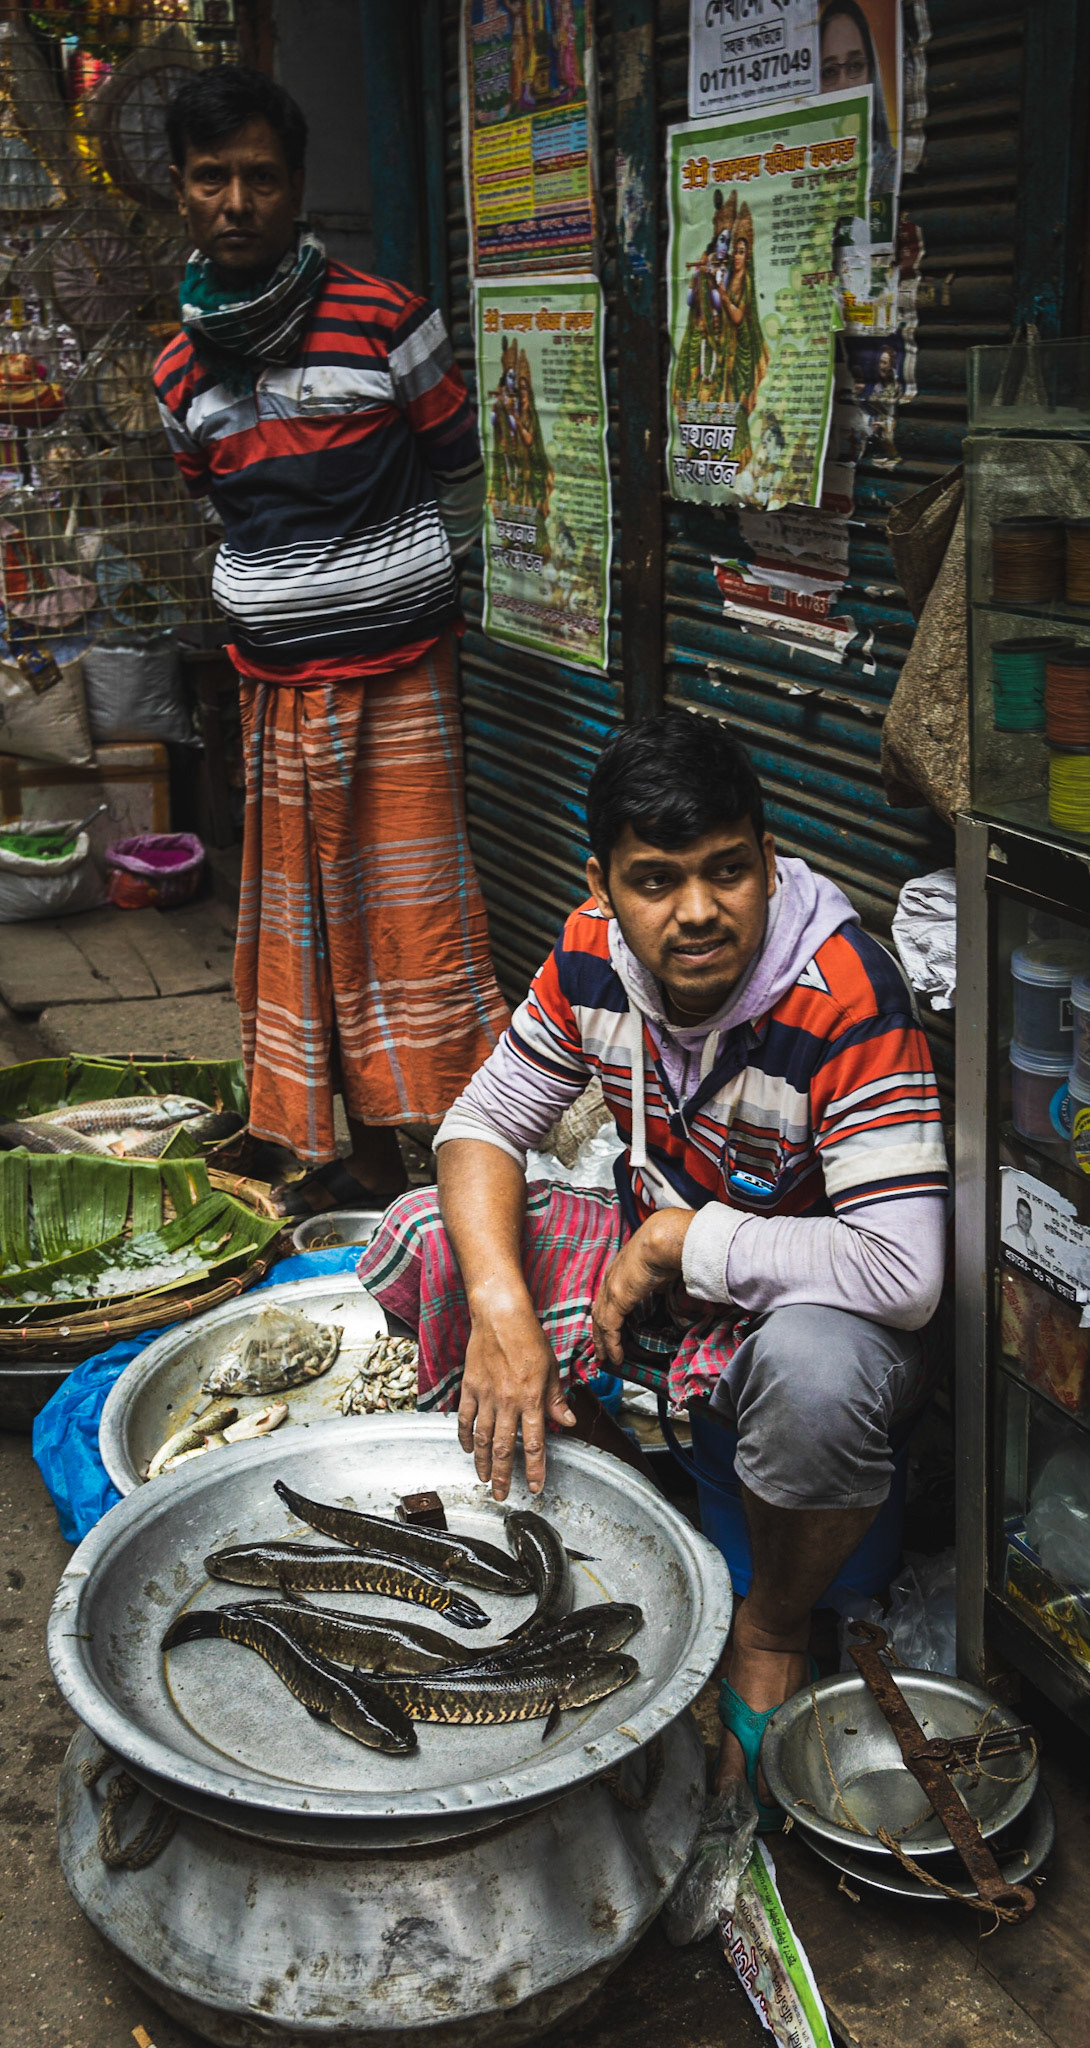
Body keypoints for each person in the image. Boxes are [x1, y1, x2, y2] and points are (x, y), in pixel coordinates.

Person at [358, 712, 948, 1823]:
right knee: (435, 1235)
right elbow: (482, 1121)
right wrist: (499, 1310)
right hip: (663, 1279)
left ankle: (772, 1621)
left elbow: (904, 1270)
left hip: (811, 1309)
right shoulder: (592, 949)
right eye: (656, 879)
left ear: (768, 862)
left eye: (729, 872)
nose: (696, 912)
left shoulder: (846, 996)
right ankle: (594, 1479)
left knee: (816, 1376)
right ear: (604, 883)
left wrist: (683, 1239)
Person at [154, 66, 509, 1215]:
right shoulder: (177, 373)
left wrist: (404, 591)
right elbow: (228, 499)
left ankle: (464, 1161)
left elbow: (460, 469)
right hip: (273, 689)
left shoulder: (389, 319)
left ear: (297, 186)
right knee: (311, 927)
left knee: (414, 922)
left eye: (261, 175)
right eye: (213, 177)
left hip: (402, 677)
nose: (237, 199)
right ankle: (361, 1162)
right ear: (181, 193)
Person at [819, 0, 898, 206]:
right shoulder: (804, 171)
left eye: (855, 66)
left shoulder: (890, 167)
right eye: (829, 72)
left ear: (871, 73)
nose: (844, 84)